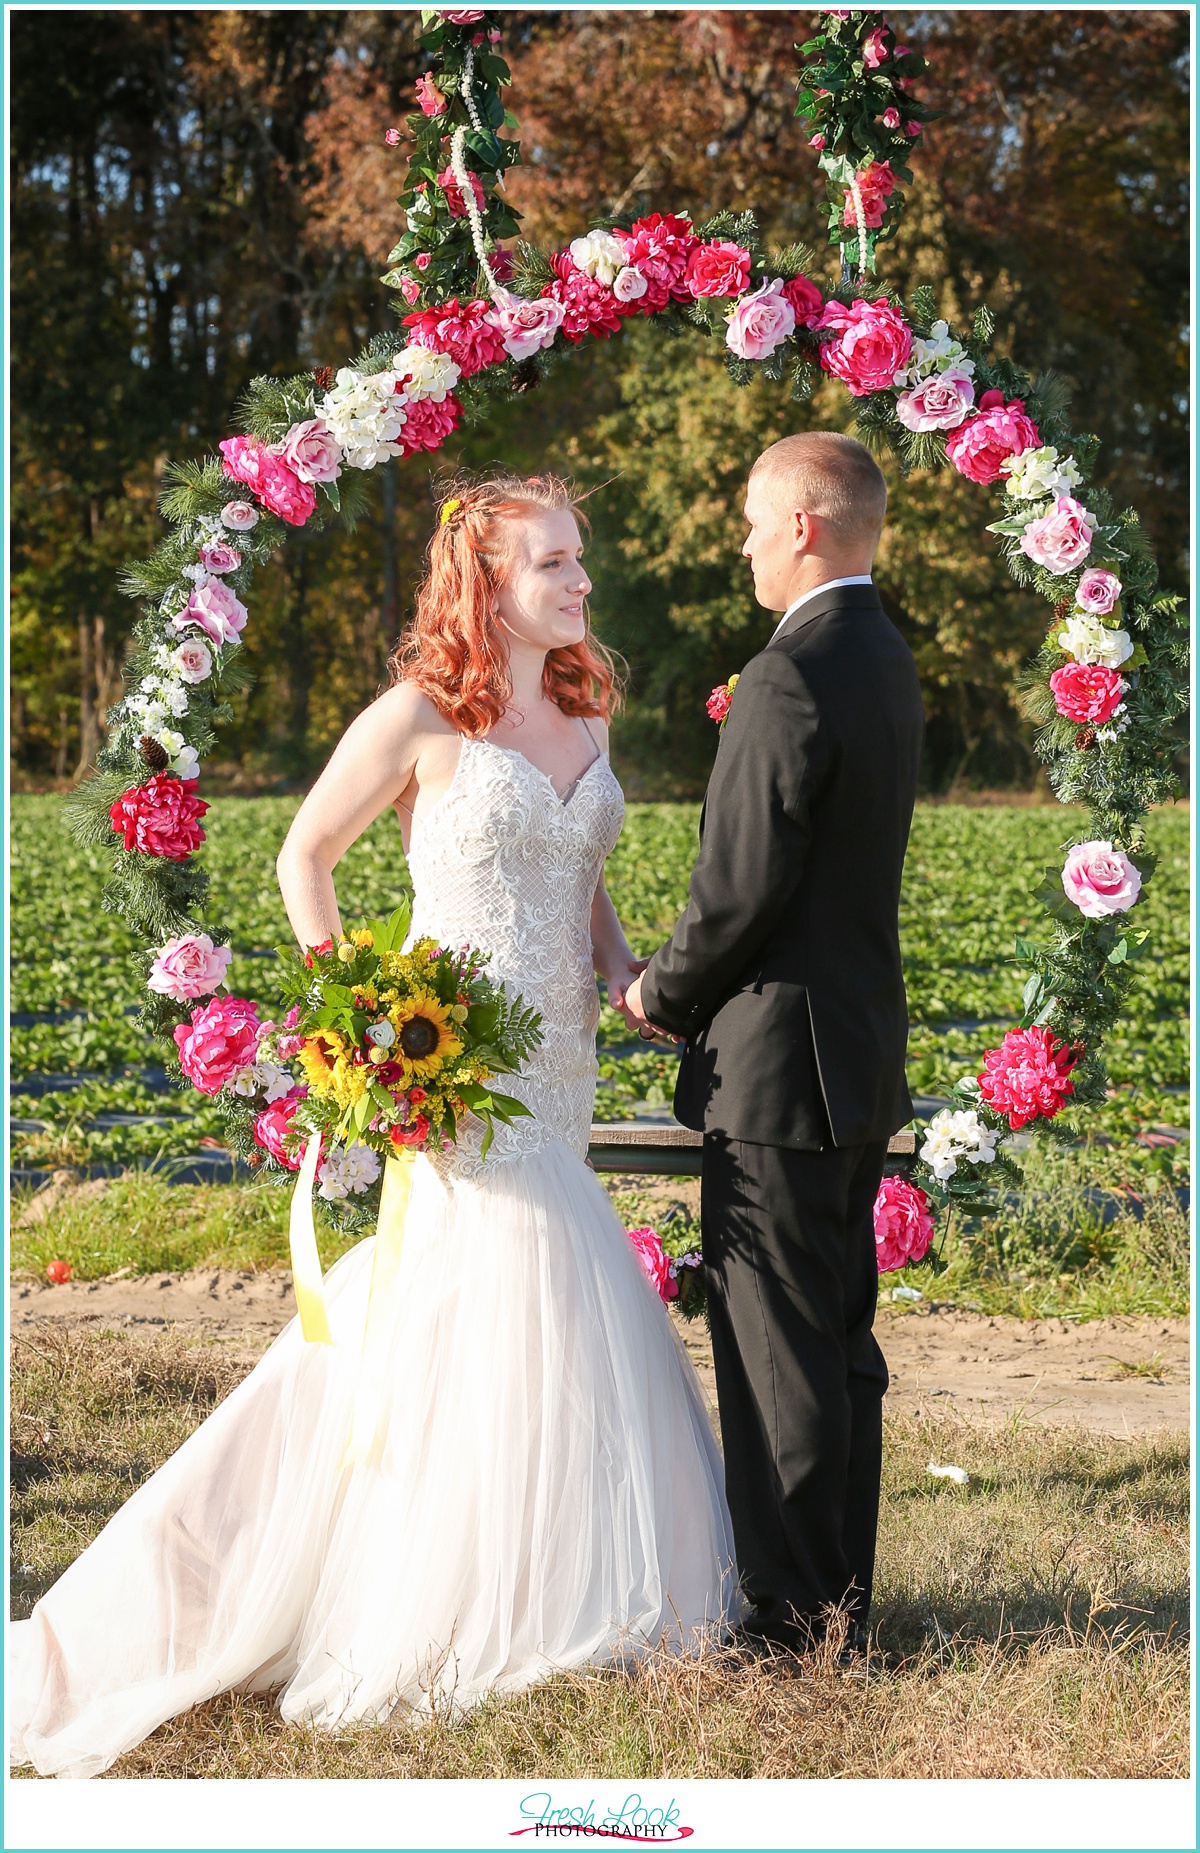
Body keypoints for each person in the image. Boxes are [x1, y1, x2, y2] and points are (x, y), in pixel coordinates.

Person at [10, 471, 739, 1780]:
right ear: (489, 587)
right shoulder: (416, 717)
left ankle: (556, 1575)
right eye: (554, 566)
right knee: (480, 1295)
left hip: (560, 1061)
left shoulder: (582, 706)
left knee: (552, 1301)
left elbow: (583, 880)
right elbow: (308, 854)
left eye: (579, 559)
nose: (580, 583)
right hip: (448, 1066)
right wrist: (354, 1008)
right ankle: (441, 1593)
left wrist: (629, 979)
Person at [624, 431, 924, 1656]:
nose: (740, 538)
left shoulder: (786, 673)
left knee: (778, 1355)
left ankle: (794, 1619)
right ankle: (838, 1599)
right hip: (850, 1058)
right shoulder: (884, 654)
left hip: (775, 1074)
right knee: (840, 1345)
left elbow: (739, 886)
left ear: (804, 523)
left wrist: (660, 991)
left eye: (752, 518)